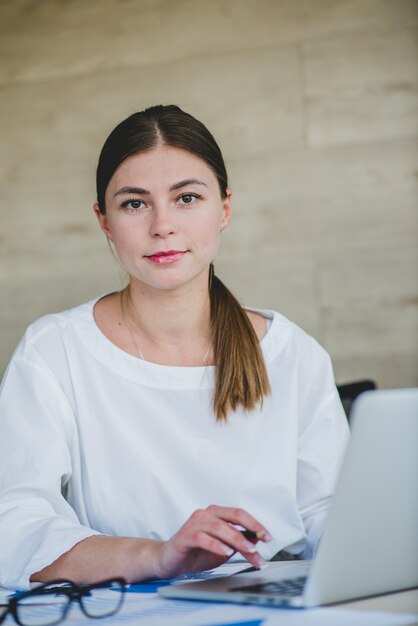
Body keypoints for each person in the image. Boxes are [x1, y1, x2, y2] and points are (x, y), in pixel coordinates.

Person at [0, 105, 349, 589]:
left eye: (186, 197)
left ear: (224, 208)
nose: (162, 225)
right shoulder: (53, 353)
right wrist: (158, 556)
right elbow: (14, 524)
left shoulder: (293, 354)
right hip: (130, 606)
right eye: (134, 203)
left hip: (276, 602)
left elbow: (329, 508)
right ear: (103, 220)